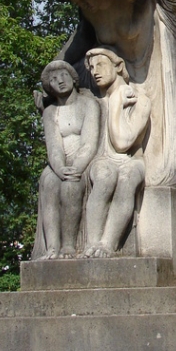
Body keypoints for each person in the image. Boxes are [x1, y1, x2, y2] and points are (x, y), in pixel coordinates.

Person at [83, 48, 152, 258]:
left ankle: (107, 244)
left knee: (128, 176)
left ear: (118, 66)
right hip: (102, 160)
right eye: (92, 67)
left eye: (101, 65)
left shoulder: (141, 101)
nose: (95, 71)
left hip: (132, 160)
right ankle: (92, 244)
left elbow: (122, 143)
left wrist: (115, 105)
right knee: (105, 175)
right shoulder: (92, 102)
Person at [32, 61, 101, 260]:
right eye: (53, 79)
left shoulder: (88, 105)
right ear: (49, 87)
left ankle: (69, 246)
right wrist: (60, 168)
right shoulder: (50, 112)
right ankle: (52, 247)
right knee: (49, 182)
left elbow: (89, 143)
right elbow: (53, 146)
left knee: (71, 187)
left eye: (63, 75)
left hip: (83, 161)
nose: (59, 81)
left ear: (73, 78)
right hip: (60, 163)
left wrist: (76, 168)